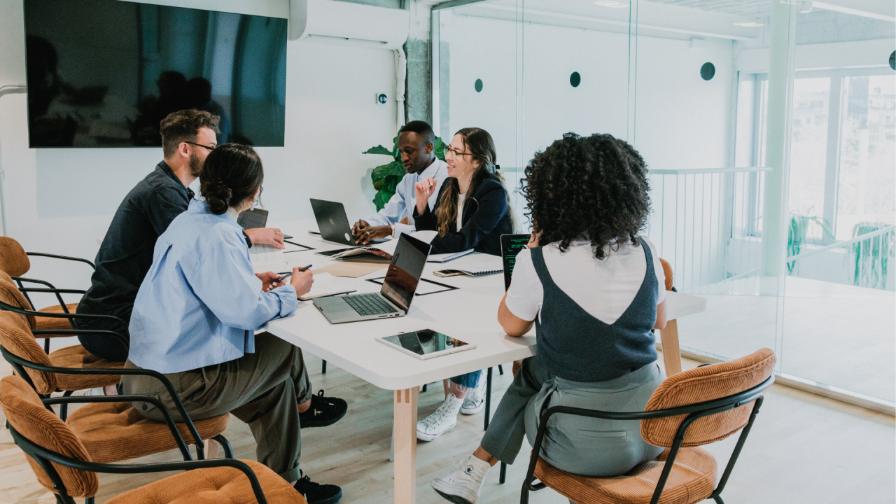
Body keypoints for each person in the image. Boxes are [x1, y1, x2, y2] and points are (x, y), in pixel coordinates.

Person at [430, 133, 668, 504]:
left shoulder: (541, 259)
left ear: (551, 197)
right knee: (542, 365)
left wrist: (527, 257)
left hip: (581, 447)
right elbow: (658, 322)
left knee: (531, 369)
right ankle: (473, 469)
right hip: (654, 429)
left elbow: (511, 324)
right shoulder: (647, 251)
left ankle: (475, 468)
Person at [123, 144, 343, 504]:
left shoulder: (188, 221)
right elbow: (247, 314)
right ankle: (305, 407)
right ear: (254, 193)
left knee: (275, 387)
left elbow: (204, 285)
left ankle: (285, 487)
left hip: (141, 377)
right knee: (284, 345)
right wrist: (292, 290)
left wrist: (251, 281)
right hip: (174, 390)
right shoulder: (220, 235)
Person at [75, 110, 283, 362]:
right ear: (185, 149)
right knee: (241, 334)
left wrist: (246, 281)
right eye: (211, 148)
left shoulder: (169, 187)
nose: (216, 156)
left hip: (109, 314)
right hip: (115, 325)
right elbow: (199, 257)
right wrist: (250, 241)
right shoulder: (163, 193)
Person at [413, 127, 513, 442]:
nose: (449, 157)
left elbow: (466, 239)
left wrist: (424, 245)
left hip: (491, 280)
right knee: (426, 303)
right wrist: (421, 205)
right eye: (450, 150)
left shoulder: (492, 192)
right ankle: (468, 383)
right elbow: (432, 231)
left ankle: (453, 403)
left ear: (477, 160)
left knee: (465, 323)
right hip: (459, 272)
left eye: (457, 152)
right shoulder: (449, 185)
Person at [352, 120, 448, 244]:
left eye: (409, 151)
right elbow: (388, 215)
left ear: (429, 148)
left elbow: (435, 231)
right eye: (401, 151)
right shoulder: (408, 180)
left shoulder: (447, 178)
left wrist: (391, 230)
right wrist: (367, 225)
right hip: (411, 247)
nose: (404, 158)